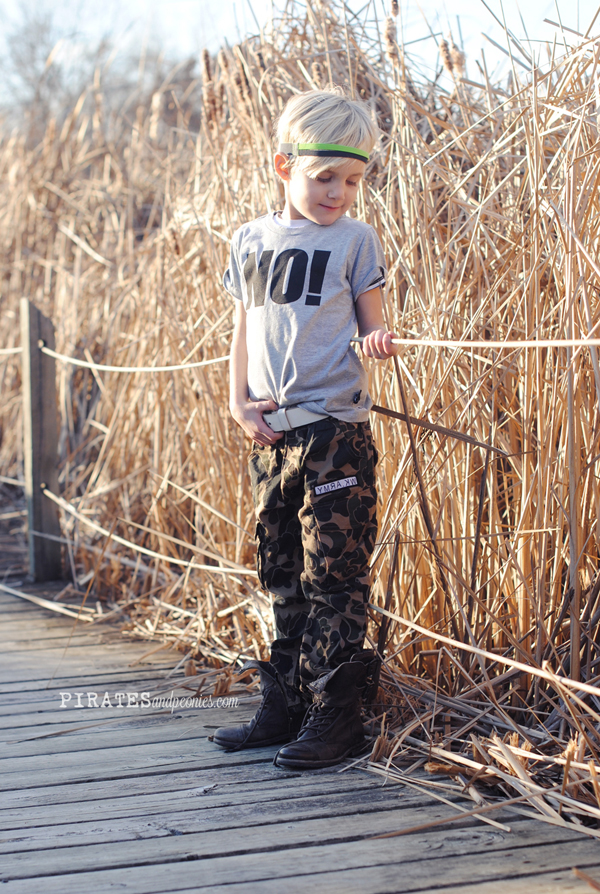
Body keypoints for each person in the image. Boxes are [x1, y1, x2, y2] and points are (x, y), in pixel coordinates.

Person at [213, 87, 398, 770]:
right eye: (324, 177)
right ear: (283, 165)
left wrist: (377, 340)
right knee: (282, 568)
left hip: (333, 433)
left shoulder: (355, 240)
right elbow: (242, 329)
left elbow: (373, 321)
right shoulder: (250, 240)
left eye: (352, 180)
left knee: (335, 572)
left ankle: (335, 713)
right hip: (273, 434)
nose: (338, 193)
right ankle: (286, 700)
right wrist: (239, 402)